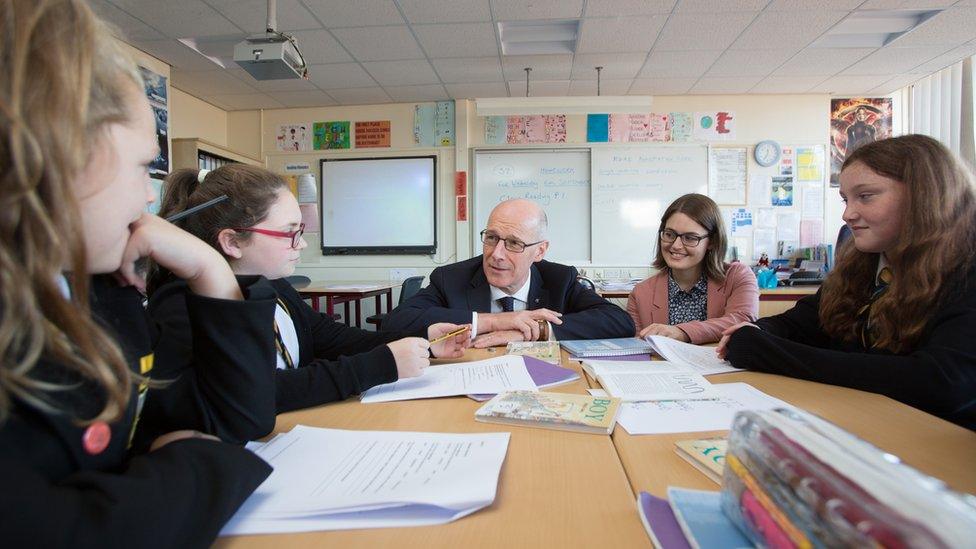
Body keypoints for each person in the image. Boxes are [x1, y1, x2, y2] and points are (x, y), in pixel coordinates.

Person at [0, 1, 274, 545]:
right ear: (55, 157)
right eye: (142, 167)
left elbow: (238, 420)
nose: (151, 194)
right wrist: (195, 468)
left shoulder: (104, 292)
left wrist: (210, 269)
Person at [145, 165, 469, 418]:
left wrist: (425, 339)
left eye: (300, 230)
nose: (301, 243)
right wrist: (382, 364)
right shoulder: (182, 308)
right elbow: (263, 391)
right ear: (232, 241)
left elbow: (333, 337)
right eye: (289, 232)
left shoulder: (273, 287)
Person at [718, 135, 976, 431]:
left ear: (924, 196)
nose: (848, 214)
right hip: (862, 424)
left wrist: (770, 353)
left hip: (938, 442)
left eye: (865, 196)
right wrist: (757, 331)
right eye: (845, 199)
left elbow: (943, 383)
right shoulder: (861, 265)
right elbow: (800, 324)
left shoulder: (966, 269)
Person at [383, 199, 635, 347]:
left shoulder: (560, 280)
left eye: (514, 243)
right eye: (491, 238)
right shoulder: (451, 278)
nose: (497, 254)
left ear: (539, 251)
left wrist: (535, 330)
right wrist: (494, 321)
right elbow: (395, 323)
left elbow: (619, 321)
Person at [627, 194, 758, 344]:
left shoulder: (737, 276)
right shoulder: (641, 293)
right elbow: (637, 348)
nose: (675, 245)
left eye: (690, 238)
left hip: (723, 367)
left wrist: (682, 332)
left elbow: (742, 321)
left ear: (712, 242)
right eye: (669, 234)